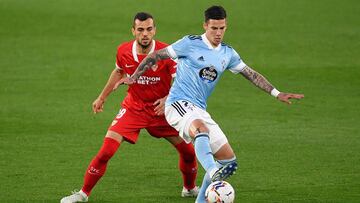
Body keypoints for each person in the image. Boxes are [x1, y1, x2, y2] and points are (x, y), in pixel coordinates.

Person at [121, 5, 305, 203]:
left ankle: (202, 197)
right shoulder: (189, 43)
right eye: (214, 28)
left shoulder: (228, 53)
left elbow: (250, 74)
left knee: (229, 163)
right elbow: (155, 55)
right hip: (177, 104)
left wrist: (276, 93)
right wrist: (135, 77)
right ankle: (212, 170)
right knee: (201, 131)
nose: (218, 33)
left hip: (199, 109)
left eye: (222, 28)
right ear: (205, 26)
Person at [60, 12, 199, 203]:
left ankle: (189, 189)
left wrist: (167, 99)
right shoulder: (123, 50)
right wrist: (102, 97)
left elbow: (181, 81)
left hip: (162, 111)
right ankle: (82, 194)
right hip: (134, 108)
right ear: (133, 31)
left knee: (189, 152)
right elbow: (118, 71)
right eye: (140, 29)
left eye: (149, 29)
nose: (145, 34)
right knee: (106, 151)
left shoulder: (167, 52)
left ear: (154, 30)